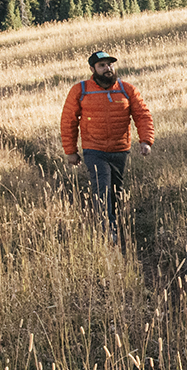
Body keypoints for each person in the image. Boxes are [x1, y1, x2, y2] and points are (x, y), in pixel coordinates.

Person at [60, 49, 154, 237]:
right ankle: (107, 230)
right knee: (101, 189)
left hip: (120, 150)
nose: (107, 68)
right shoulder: (81, 90)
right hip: (94, 150)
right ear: (92, 69)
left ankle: (115, 223)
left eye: (109, 64)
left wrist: (145, 140)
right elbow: (68, 120)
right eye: (102, 65)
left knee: (115, 191)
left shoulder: (126, 89)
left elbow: (142, 115)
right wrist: (71, 151)